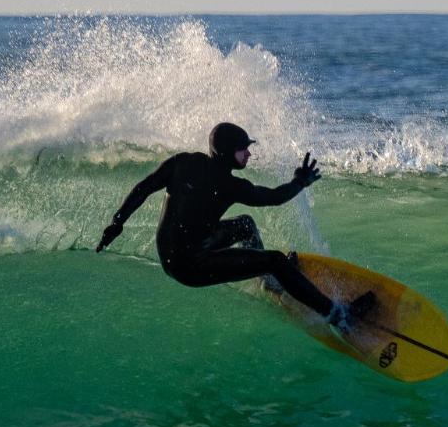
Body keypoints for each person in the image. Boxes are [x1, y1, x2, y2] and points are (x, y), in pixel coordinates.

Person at [96, 122, 373, 331]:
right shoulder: (231, 186)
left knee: (245, 225)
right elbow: (275, 197)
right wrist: (300, 182)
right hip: (190, 266)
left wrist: (117, 222)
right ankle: (339, 317)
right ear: (229, 152)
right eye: (244, 150)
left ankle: (269, 283)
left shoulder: (184, 162)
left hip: (171, 251)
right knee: (276, 260)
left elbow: (143, 188)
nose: (249, 154)